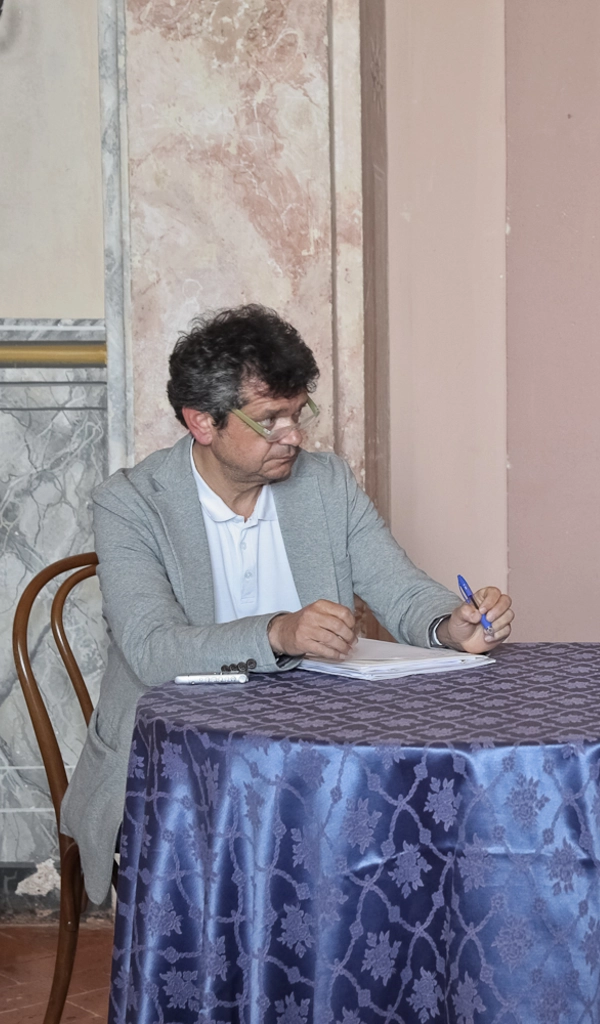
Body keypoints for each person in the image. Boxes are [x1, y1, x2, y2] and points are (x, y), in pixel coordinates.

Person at [61, 304, 514, 905]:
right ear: (202, 421)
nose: (294, 436)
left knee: (408, 856)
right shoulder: (130, 503)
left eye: (299, 414)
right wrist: (278, 632)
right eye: (271, 419)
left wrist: (450, 626)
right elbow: (152, 650)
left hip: (313, 763)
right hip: (172, 773)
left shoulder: (324, 484)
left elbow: (401, 588)